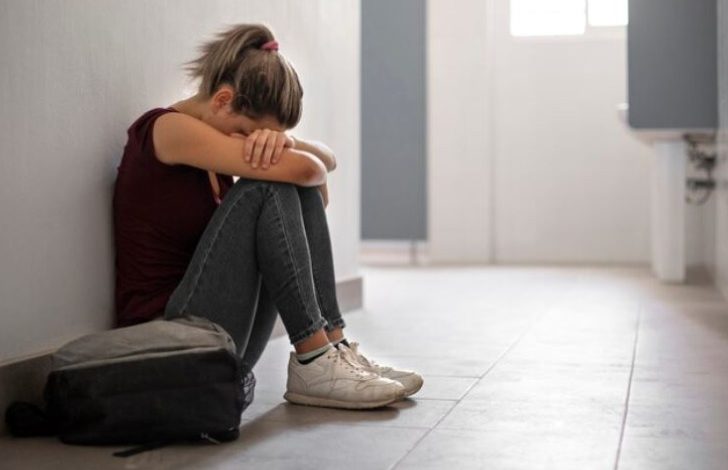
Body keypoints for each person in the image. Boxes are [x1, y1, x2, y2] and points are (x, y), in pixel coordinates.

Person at [113, 23, 422, 410]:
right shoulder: (167, 129)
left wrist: (286, 141)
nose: (251, 142)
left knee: (288, 182)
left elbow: (325, 162)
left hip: (222, 336)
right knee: (268, 185)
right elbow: (310, 169)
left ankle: (333, 347)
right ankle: (314, 358)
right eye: (248, 132)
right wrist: (295, 160)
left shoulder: (216, 144)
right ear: (223, 100)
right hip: (168, 341)